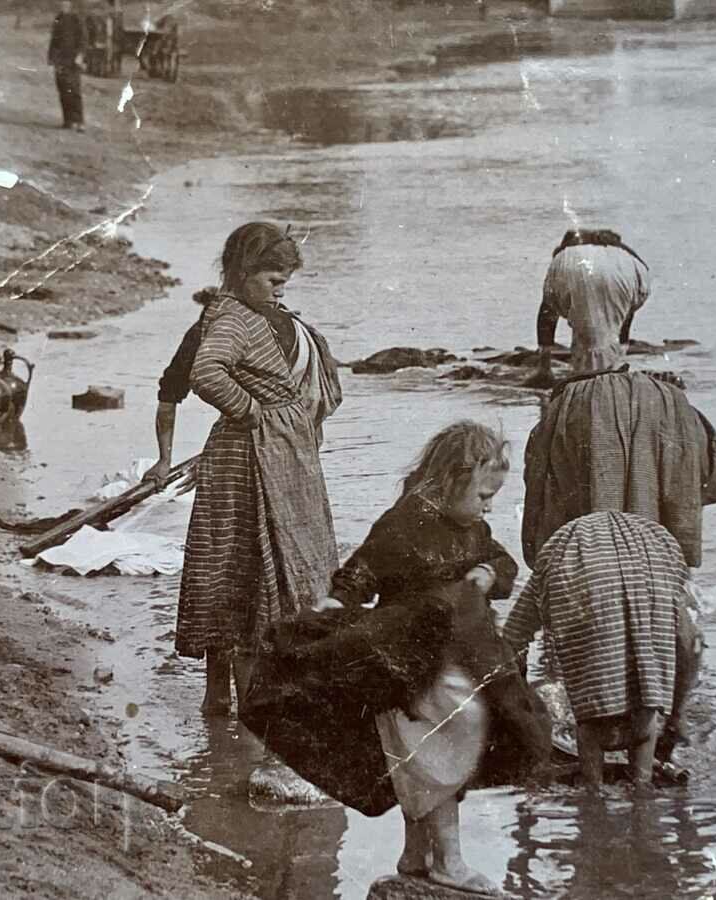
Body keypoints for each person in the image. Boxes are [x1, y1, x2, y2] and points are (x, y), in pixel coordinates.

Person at [315, 421, 532, 895]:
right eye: (483, 495)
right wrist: (335, 605)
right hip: (408, 663)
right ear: (452, 480)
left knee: (427, 757)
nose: (489, 506)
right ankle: (449, 862)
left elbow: (505, 563)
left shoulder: (472, 528)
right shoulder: (403, 524)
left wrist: (486, 572)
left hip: (451, 657)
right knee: (440, 751)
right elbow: (361, 572)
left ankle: (415, 856)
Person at [175, 222, 339, 716]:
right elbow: (205, 372)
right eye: (273, 279)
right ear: (242, 272)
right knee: (245, 568)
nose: (281, 289)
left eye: (285, 280)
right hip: (250, 456)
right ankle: (244, 706)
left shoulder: (243, 313)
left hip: (262, 452)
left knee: (236, 566)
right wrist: (250, 412)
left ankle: (221, 700)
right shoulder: (234, 319)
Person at [521, 226, 716, 570]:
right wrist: (620, 347)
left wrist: (545, 364)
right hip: (633, 277)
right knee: (603, 338)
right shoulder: (622, 254)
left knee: (588, 343)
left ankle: (591, 370)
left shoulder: (565, 258)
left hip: (583, 285)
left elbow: (546, 315)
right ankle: (610, 365)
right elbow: (625, 315)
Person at [504, 511, 700, 787]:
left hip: (583, 569)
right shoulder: (660, 555)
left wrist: (522, 707)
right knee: (644, 718)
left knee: (594, 722)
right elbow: (689, 643)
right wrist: (677, 713)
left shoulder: (562, 551)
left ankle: (593, 795)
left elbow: (514, 633)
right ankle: (642, 794)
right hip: (645, 564)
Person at [142, 280, 341, 490]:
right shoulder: (200, 337)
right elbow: (169, 394)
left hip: (291, 428)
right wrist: (164, 460)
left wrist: (214, 459)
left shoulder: (284, 332)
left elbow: (302, 404)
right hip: (269, 427)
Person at [48, 0, 87, 132]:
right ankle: (68, 120)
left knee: (74, 90)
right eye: (61, 4)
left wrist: (80, 55)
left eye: (65, 4)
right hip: (60, 61)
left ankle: (79, 121)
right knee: (63, 90)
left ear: (70, 5)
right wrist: (52, 58)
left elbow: (83, 39)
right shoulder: (58, 19)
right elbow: (54, 41)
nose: (63, 6)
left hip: (73, 60)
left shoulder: (77, 19)